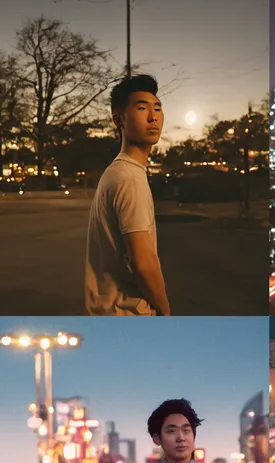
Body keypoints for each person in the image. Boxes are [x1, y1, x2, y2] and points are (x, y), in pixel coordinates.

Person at [85, 73, 171, 316]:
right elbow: (144, 264)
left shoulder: (116, 172)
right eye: (142, 108)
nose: (153, 117)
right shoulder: (130, 178)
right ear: (118, 119)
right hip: (129, 313)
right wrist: (166, 311)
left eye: (157, 108)